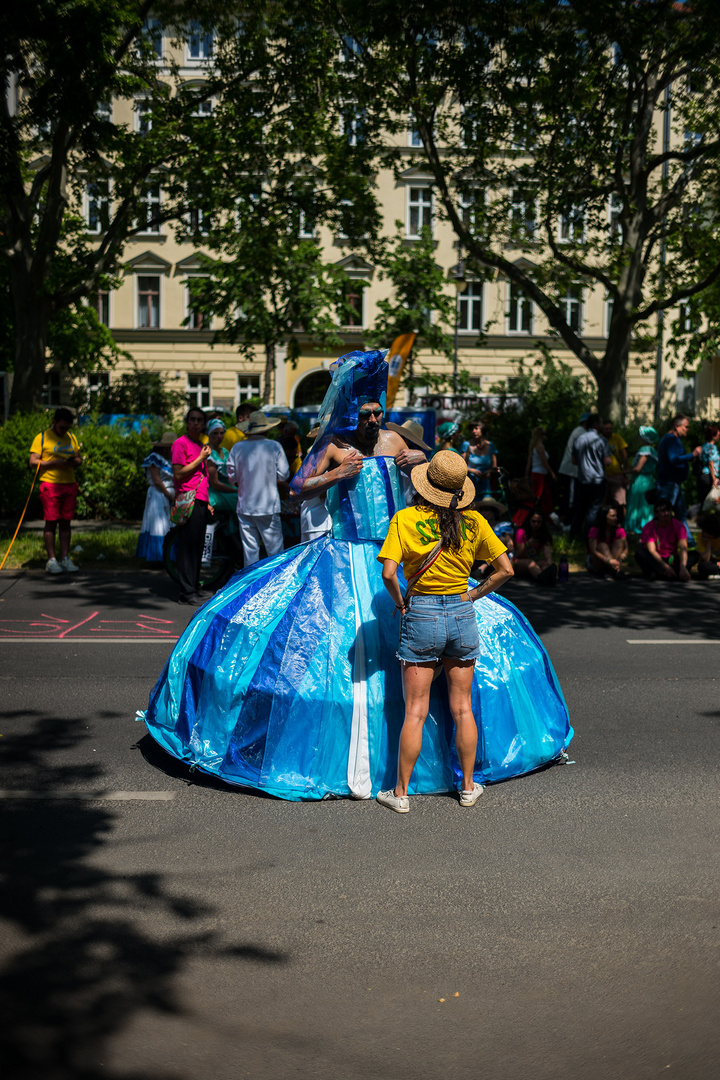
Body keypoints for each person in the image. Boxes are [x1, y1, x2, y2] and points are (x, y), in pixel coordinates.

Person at [140, 350, 572, 801]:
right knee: (337, 650)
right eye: (365, 412)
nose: (373, 417)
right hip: (343, 553)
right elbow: (296, 488)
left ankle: (439, 768)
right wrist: (338, 474)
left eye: (378, 410)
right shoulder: (332, 447)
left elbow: (439, 469)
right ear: (350, 413)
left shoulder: (392, 442)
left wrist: (418, 460)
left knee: (411, 644)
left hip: (394, 549)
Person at [375, 453, 514, 813]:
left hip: (421, 612)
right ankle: (468, 788)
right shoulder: (474, 522)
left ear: (425, 485)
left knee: (415, 711)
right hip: (461, 611)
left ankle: (401, 794)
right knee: (462, 708)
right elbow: (505, 570)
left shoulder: (405, 519)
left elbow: (389, 573)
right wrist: (471, 593)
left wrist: (402, 603)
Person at [226, 411, 290, 567]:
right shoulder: (274, 446)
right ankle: (276, 585)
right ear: (267, 429)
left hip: (245, 505)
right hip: (268, 505)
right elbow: (284, 475)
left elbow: (231, 476)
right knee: (275, 551)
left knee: (250, 553)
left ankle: (250, 586)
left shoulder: (237, 447)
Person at [29, 407, 82, 574]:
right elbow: (33, 462)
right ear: (54, 422)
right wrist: (53, 463)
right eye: (61, 428)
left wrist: (75, 462)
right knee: (51, 522)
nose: (64, 431)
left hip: (69, 483)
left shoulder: (71, 437)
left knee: (66, 523)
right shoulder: (42, 437)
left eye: (67, 428)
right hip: (50, 484)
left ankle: (65, 558)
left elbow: (79, 457)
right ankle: (52, 560)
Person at [171, 407, 212, 605]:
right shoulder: (181, 443)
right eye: (192, 420)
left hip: (201, 499)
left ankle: (194, 587)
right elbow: (178, 473)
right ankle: (186, 592)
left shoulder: (199, 444)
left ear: (203, 424)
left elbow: (203, 476)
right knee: (187, 547)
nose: (196, 423)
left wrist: (209, 501)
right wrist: (200, 459)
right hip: (188, 500)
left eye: (199, 420)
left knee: (197, 546)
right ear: (187, 423)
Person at [656, 414, 702, 537]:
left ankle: (688, 542)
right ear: (677, 426)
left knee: (681, 515)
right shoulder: (670, 439)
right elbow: (674, 459)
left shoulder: (673, 439)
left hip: (673, 483)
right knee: (663, 514)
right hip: (668, 484)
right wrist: (692, 455)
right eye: (686, 427)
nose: (688, 430)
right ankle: (656, 540)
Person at [635, 499, 697, 581]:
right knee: (640, 552)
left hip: (672, 558)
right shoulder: (649, 527)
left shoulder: (679, 526)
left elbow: (683, 547)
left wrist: (683, 566)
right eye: (663, 511)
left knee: (694, 554)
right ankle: (667, 572)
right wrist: (666, 567)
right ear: (656, 514)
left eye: (668, 511)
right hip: (658, 559)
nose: (666, 514)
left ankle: (668, 573)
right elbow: (652, 551)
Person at [136, 432, 175, 562]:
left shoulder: (171, 459)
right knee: (159, 525)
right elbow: (157, 480)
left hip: (170, 495)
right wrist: (169, 495)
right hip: (158, 495)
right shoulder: (154, 459)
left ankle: (169, 555)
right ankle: (157, 556)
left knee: (170, 525)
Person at [572, 413, 611, 537]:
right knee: (593, 509)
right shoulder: (601, 440)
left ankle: (575, 534)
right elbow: (607, 461)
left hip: (582, 479)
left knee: (580, 509)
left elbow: (574, 460)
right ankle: (589, 535)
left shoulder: (579, 439)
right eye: (600, 423)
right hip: (597, 479)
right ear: (596, 425)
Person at [205, 419, 239, 530]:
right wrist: (235, 490)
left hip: (225, 488)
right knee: (238, 499)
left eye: (221, 433)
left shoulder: (224, 451)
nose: (219, 436)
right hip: (213, 492)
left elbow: (230, 475)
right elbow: (215, 483)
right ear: (209, 434)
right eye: (215, 433)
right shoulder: (208, 452)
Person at [625, 426, 659, 535]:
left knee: (638, 502)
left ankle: (638, 526)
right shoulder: (653, 450)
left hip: (641, 480)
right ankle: (646, 525)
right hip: (648, 479)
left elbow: (638, 468)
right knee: (646, 504)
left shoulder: (645, 450)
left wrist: (625, 471)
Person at [557, 413, 590, 525]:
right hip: (571, 470)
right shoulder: (581, 432)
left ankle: (563, 518)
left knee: (571, 496)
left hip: (572, 469)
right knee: (571, 497)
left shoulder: (578, 431)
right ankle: (564, 520)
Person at [514, 510, 558, 585]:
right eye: (533, 521)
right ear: (529, 521)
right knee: (530, 563)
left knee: (545, 563)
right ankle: (541, 576)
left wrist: (549, 562)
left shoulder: (543, 533)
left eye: (538, 522)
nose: (536, 524)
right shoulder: (521, 532)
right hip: (517, 563)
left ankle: (547, 575)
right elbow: (520, 554)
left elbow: (547, 553)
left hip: (534, 561)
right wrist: (528, 544)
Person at [586, 503, 628, 579]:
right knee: (603, 546)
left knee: (619, 542)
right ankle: (615, 571)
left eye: (616, 516)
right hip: (597, 561)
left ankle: (610, 570)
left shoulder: (619, 530)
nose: (616, 518)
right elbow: (593, 551)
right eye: (612, 516)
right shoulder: (594, 530)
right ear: (604, 517)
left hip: (614, 560)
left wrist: (622, 557)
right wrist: (609, 561)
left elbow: (626, 548)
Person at [464, 421, 498, 502]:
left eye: (476, 428)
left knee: (486, 506)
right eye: (472, 429)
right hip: (471, 482)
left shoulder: (491, 445)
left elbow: (494, 467)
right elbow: (461, 465)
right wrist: (473, 471)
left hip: (486, 484)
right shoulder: (466, 445)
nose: (474, 431)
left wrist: (490, 471)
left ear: (483, 430)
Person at [526, 426, 555, 518]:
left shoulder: (533, 446)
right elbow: (544, 462)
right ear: (541, 435)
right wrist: (552, 473)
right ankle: (532, 515)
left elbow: (529, 462)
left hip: (535, 473)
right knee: (539, 497)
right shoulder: (540, 447)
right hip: (539, 475)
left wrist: (526, 474)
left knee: (542, 497)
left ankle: (546, 516)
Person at [602, 420, 629, 515]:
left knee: (621, 502)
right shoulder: (598, 439)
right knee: (602, 501)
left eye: (610, 429)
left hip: (617, 475)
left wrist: (625, 474)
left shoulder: (617, 438)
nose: (608, 431)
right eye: (606, 429)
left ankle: (622, 524)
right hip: (602, 476)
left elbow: (624, 455)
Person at [698, 423, 720, 508]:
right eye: (718, 435)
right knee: (708, 501)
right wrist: (714, 479)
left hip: (703, 476)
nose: (719, 437)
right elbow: (711, 464)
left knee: (704, 501)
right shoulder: (712, 448)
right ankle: (689, 514)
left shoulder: (705, 446)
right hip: (709, 477)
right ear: (713, 436)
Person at [696, 511, 720, 579]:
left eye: (704, 531)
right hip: (712, 562)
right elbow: (706, 559)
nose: (702, 532)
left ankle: (715, 573)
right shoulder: (700, 537)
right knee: (703, 566)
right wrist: (708, 542)